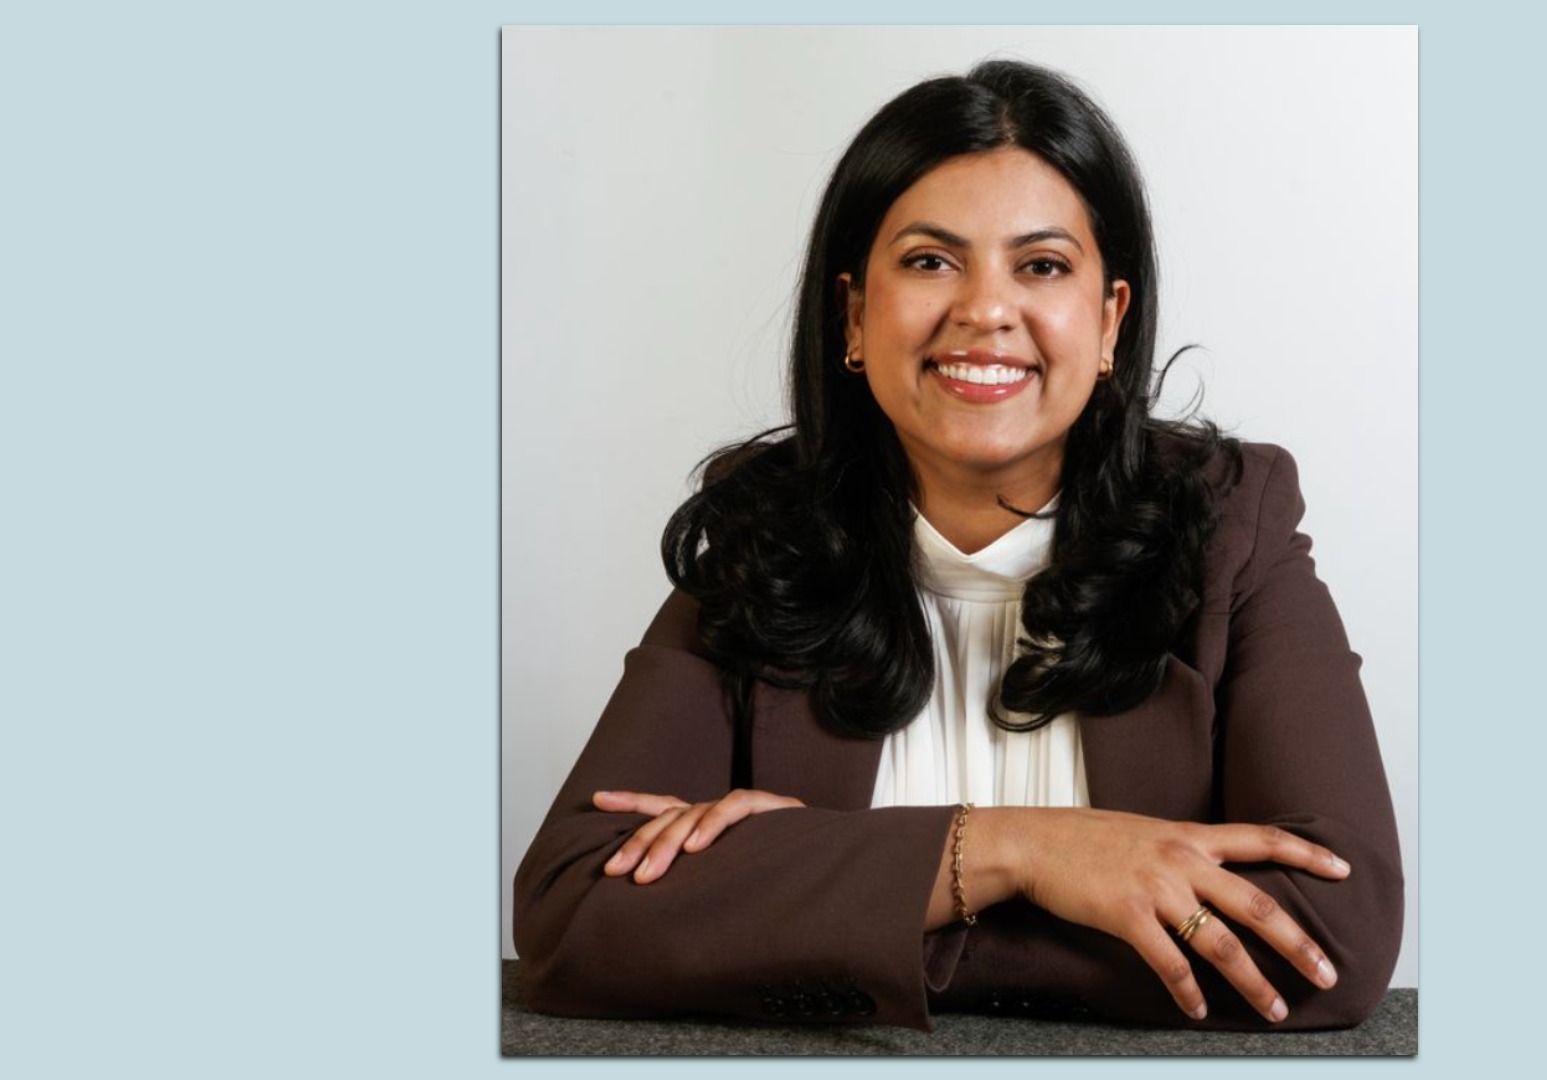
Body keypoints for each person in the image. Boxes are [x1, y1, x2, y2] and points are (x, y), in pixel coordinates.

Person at [512, 58, 1403, 1034]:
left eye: (1043, 265)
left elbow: (1334, 940)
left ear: (1109, 320)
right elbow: (573, 910)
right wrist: (1018, 851)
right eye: (931, 260)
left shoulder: (1232, 525)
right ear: (855, 317)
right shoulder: (764, 535)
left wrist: (815, 893)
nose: (984, 310)